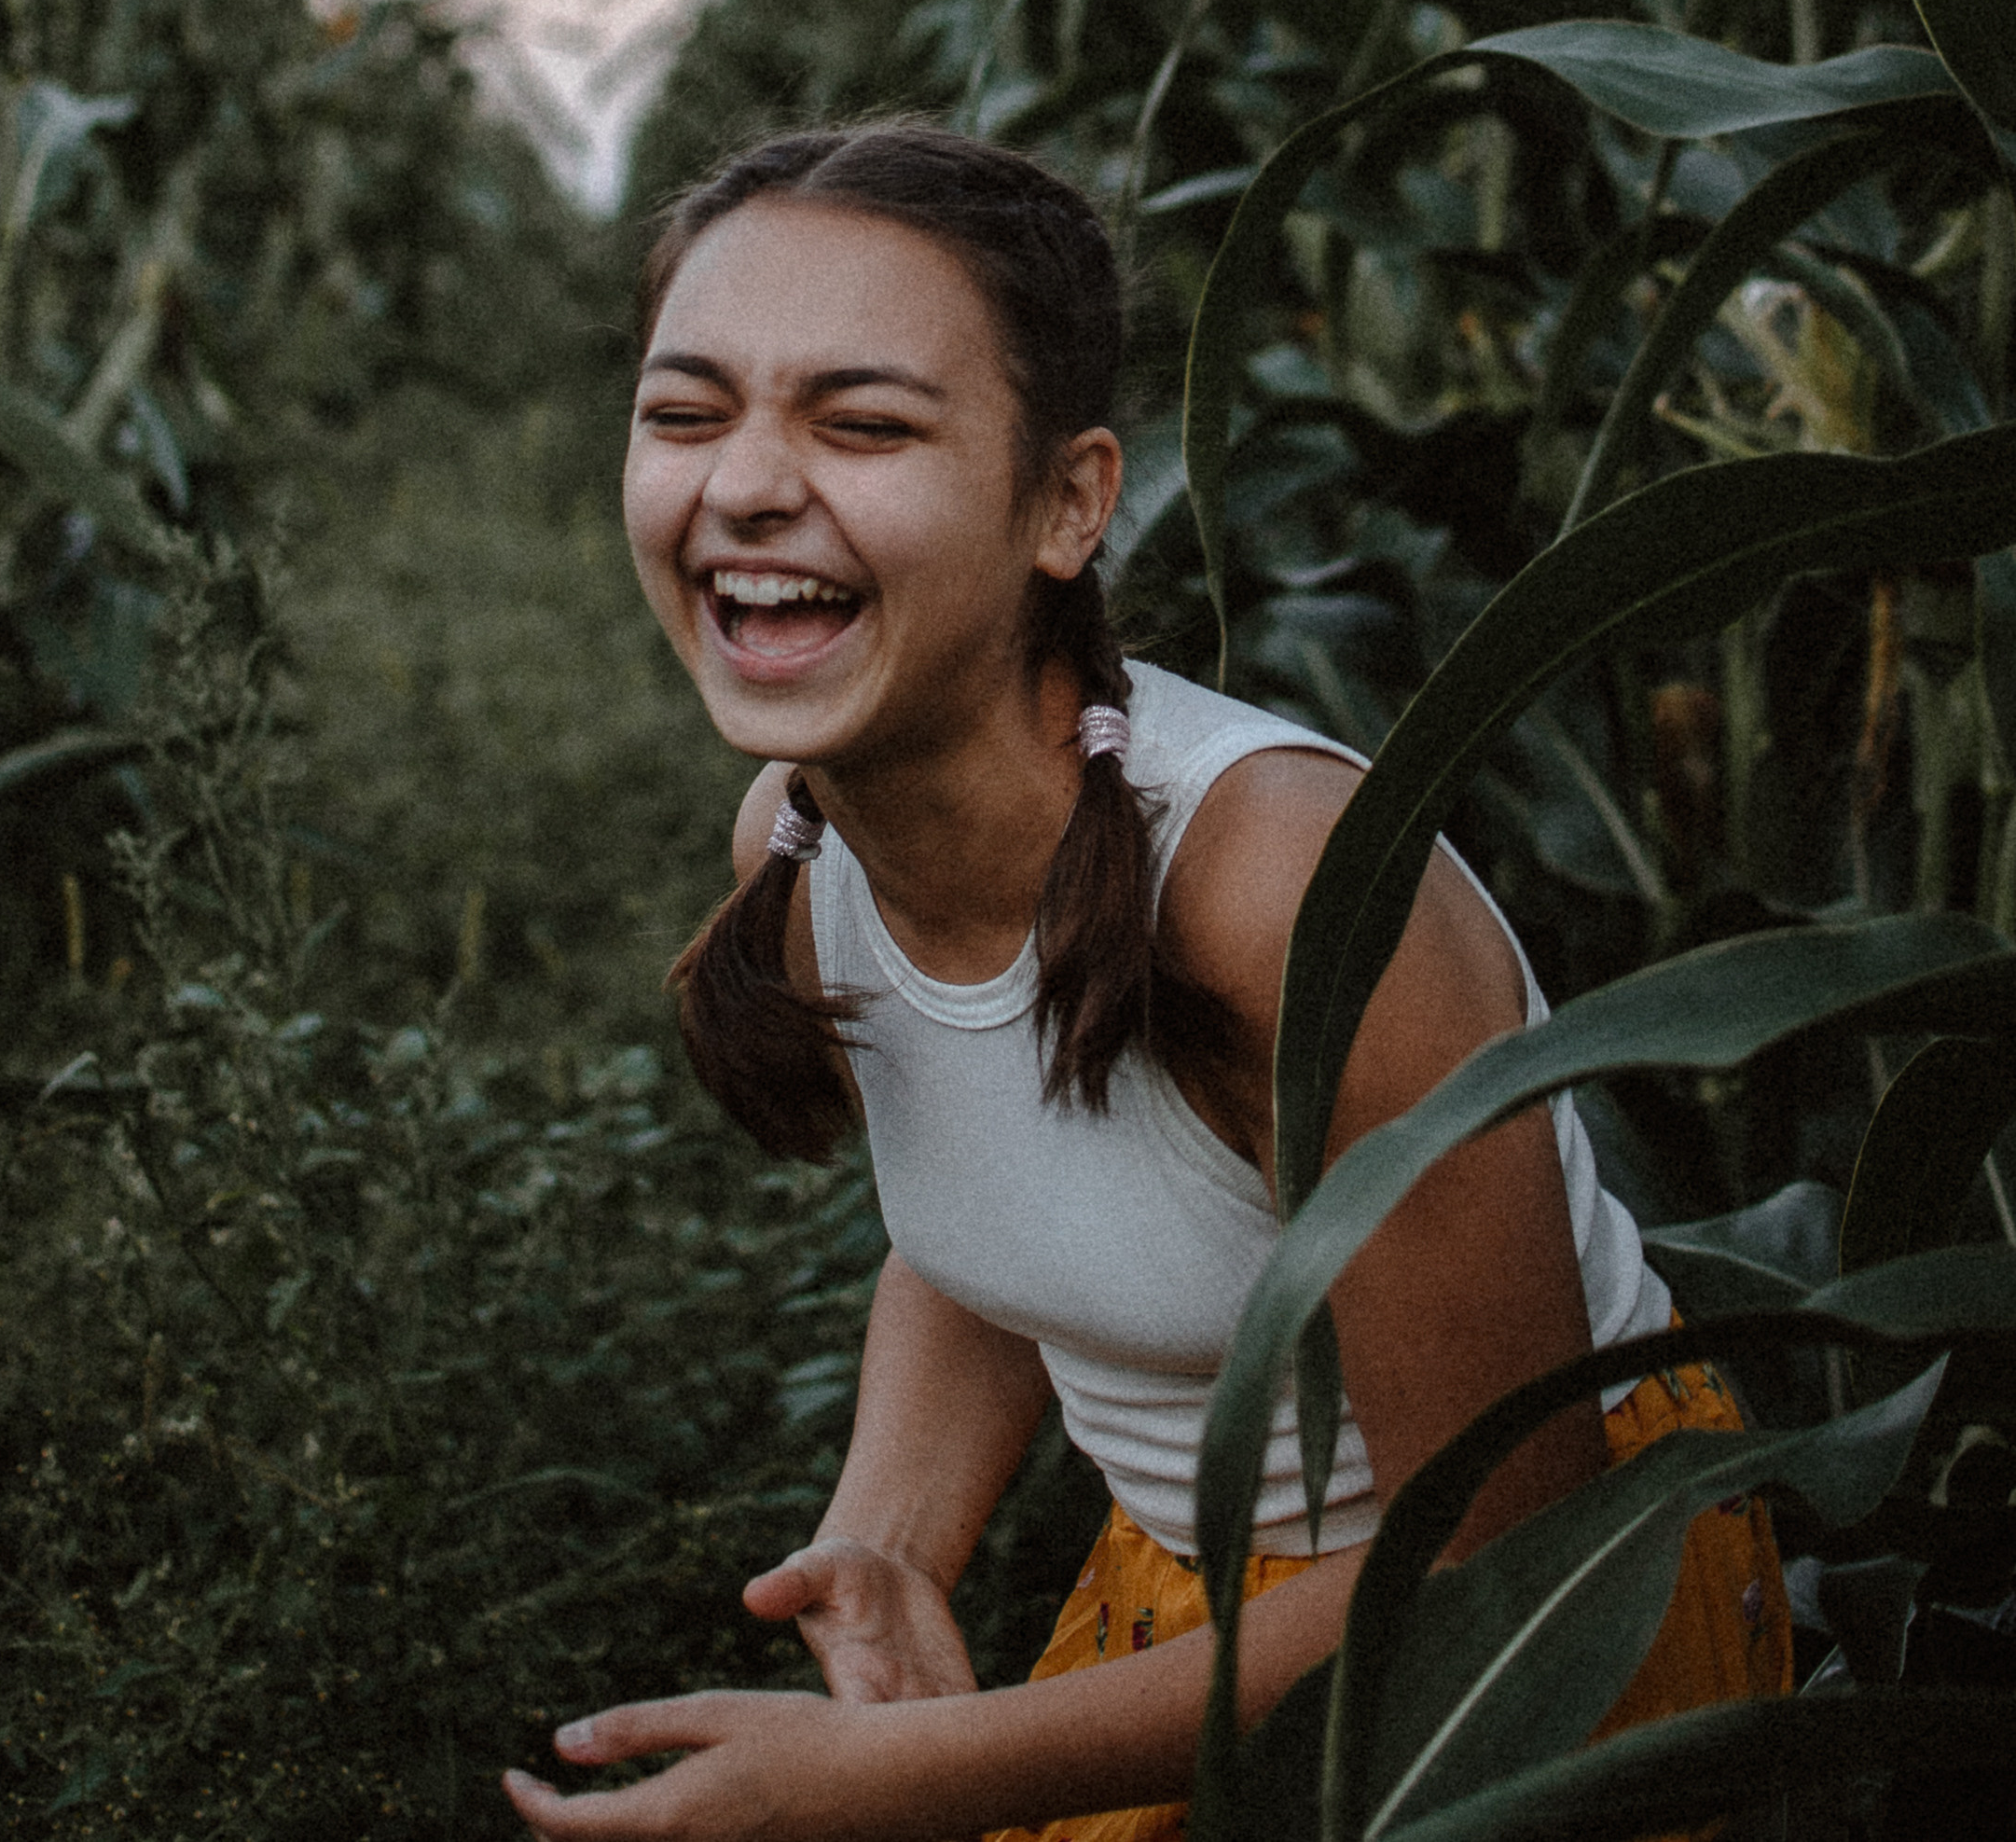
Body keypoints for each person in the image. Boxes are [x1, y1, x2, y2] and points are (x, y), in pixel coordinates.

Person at [504, 122, 1788, 1842]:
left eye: (861, 422)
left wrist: (896, 1777)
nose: (740, 485)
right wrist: (885, 1546)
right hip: (1200, 1599)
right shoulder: (800, 849)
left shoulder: (1283, 888)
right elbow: (989, 1212)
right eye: (685, 412)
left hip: (1536, 1638)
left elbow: (1496, 1558)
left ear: (1068, 502)